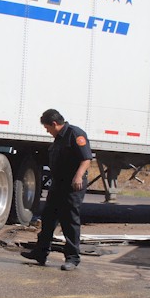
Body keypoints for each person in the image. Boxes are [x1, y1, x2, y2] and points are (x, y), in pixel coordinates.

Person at [21, 109, 92, 271]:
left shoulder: (75, 134)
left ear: (54, 124)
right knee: (48, 218)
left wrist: (78, 176)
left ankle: (72, 258)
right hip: (58, 184)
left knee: (69, 220)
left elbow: (86, 158)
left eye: (47, 128)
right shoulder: (58, 139)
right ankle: (41, 252)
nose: (47, 131)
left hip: (73, 185)